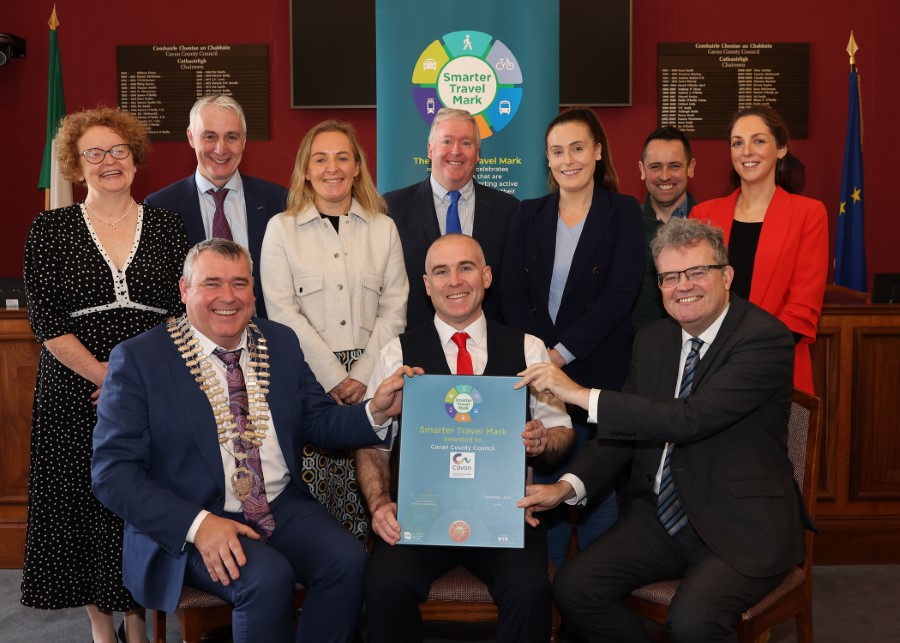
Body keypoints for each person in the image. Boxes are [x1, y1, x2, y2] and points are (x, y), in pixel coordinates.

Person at [91, 239, 416, 643]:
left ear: (253, 292)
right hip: (193, 518)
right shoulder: (139, 359)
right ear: (184, 290)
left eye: (239, 283)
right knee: (267, 578)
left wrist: (378, 410)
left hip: (280, 505)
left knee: (347, 560)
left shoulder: (278, 342)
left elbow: (319, 420)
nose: (227, 297)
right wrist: (200, 526)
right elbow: (112, 474)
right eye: (211, 283)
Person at [515, 218, 809, 642]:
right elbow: (626, 431)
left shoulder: (764, 338)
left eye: (696, 272)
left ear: (726, 275)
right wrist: (565, 487)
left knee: (693, 622)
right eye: (670, 277)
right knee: (574, 589)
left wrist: (579, 393)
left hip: (739, 523)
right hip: (660, 519)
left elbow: (691, 418)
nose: (682, 286)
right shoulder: (654, 340)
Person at [22, 106, 188, 643]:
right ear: (76, 164)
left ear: (135, 158)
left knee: (139, 501)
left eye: (117, 150)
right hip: (73, 388)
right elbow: (46, 319)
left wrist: (134, 386)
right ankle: (100, 626)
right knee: (82, 503)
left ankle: (137, 624)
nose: (108, 161)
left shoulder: (167, 226)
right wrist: (103, 378)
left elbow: (183, 316)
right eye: (94, 153)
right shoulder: (50, 228)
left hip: (151, 387)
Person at [357, 234, 574, 643]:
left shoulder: (529, 349)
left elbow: (563, 432)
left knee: (530, 590)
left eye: (466, 268)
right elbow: (372, 442)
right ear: (426, 283)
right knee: (384, 587)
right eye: (441, 271)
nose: (454, 281)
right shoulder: (396, 353)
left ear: (487, 276)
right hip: (419, 516)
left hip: (505, 513)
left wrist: (545, 440)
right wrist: (380, 502)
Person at [500, 106, 645, 566]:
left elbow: (620, 294)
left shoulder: (623, 212)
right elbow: (511, 292)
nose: (569, 160)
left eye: (578, 148)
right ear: (547, 158)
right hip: (538, 375)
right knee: (550, 494)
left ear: (598, 152)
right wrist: (542, 358)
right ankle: (552, 605)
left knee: (596, 492)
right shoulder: (528, 214)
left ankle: (591, 604)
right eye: (557, 151)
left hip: (598, 372)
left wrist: (559, 358)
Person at [261, 120, 408, 542]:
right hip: (309, 381)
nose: (333, 167)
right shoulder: (281, 229)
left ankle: (367, 595)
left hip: (375, 380)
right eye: (320, 159)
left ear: (358, 167)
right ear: (305, 170)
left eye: (343, 157)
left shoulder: (384, 229)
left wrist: (362, 376)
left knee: (374, 492)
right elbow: (282, 313)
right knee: (314, 500)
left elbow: (395, 307)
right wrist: (333, 376)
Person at [691, 105, 827, 394]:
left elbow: (802, 309)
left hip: (779, 371)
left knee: (786, 442)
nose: (747, 151)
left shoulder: (809, 214)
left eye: (759, 140)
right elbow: (692, 294)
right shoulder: (703, 215)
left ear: (781, 149)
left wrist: (748, 355)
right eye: (737, 142)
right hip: (710, 372)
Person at [145, 94, 288, 319]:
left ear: (244, 140)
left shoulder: (278, 201)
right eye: (210, 136)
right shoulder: (159, 207)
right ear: (191, 138)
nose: (221, 149)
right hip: (191, 343)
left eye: (231, 137)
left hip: (265, 339)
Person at [383, 107, 519, 330]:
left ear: (477, 153)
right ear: (430, 149)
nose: (455, 151)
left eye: (466, 143)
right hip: (416, 346)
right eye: (447, 142)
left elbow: (513, 288)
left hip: (490, 350)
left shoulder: (508, 210)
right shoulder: (393, 208)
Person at [633, 126, 698, 330]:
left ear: (691, 167)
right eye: (655, 167)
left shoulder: (708, 224)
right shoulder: (625, 226)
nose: (664, 176)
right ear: (642, 170)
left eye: (674, 166)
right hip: (638, 351)